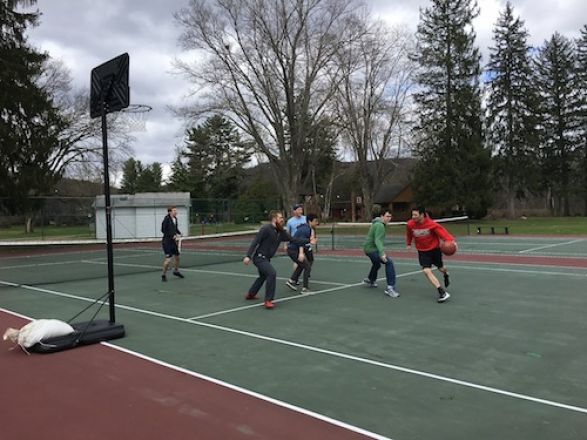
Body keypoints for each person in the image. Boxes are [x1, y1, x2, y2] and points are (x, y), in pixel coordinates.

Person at [243, 210, 310, 309]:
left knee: (262, 276)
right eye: (280, 218)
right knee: (271, 273)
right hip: (259, 258)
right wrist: (248, 255)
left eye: (282, 218)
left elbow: (294, 240)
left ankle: (251, 294)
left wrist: (308, 240)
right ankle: (268, 300)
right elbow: (255, 241)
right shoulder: (266, 228)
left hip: (267, 259)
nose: (282, 220)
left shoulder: (281, 232)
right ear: (274, 219)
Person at [405, 207, 454, 303]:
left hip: (434, 250)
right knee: (426, 270)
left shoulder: (432, 224)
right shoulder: (410, 224)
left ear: (422, 215)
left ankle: (446, 274)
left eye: (415, 215)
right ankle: (442, 292)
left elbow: (443, 234)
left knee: (441, 268)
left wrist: (450, 241)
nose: (413, 217)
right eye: (412, 215)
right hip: (422, 251)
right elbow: (409, 234)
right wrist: (408, 244)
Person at [362, 206, 399, 298]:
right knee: (389, 262)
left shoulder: (377, 223)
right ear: (382, 216)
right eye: (387, 216)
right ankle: (390, 288)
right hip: (371, 249)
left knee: (377, 264)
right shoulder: (380, 225)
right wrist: (382, 254)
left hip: (367, 248)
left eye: (390, 217)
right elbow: (377, 240)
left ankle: (371, 279)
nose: (388, 218)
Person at [285, 213, 320, 293]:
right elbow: (301, 242)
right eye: (315, 221)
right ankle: (305, 288)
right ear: (310, 221)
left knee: (302, 265)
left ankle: (291, 281)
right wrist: (301, 253)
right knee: (307, 266)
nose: (316, 223)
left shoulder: (307, 228)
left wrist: (310, 242)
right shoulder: (306, 229)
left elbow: (303, 241)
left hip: (294, 250)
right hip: (293, 250)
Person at [161, 206, 184, 282]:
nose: (176, 212)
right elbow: (163, 230)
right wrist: (172, 235)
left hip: (173, 242)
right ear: (170, 212)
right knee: (168, 260)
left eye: (176, 210)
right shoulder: (166, 219)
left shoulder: (175, 219)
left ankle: (176, 271)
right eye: (174, 210)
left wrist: (179, 233)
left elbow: (175, 229)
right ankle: (163, 275)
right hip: (166, 242)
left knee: (178, 257)